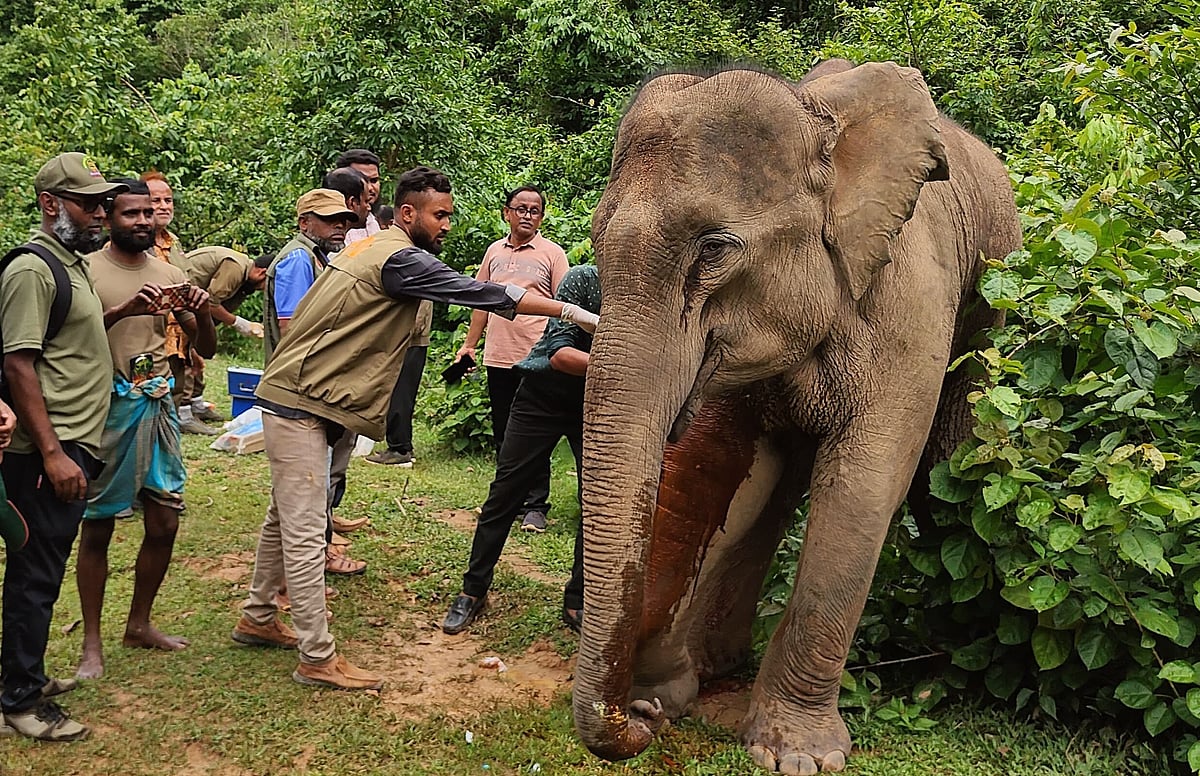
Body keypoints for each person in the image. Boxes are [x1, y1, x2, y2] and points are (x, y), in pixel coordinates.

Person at [232, 166, 597, 691]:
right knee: (307, 527)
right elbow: (487, 294)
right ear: (408, 214)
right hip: (301, 400)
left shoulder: (368, 246)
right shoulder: (401, 258)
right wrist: (573, 312)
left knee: (282, 517)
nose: (447, 224)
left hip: (306, 393)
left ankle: (259, 615)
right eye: (440, 214)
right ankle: (317, 655)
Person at [0, 153, 127, 741]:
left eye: (103, 202)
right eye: (88, 203)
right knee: (36, 572)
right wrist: (51, 452)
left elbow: (71, 340)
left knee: (43, 567)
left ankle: (22, 673)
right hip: (45, 448)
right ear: (52, 203)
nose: (100, 213)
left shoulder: (69, 263)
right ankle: (20, 701)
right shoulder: (33, 268)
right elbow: (19, 362)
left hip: (78, 439)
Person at [75, 180, 218, 680]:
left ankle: (139, 623)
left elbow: (208, 348)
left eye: (148, 213)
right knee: (99, 525)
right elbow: (73, 342)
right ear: (109, 217)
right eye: (130, 213)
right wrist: (125, 311)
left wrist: (198, 312)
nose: (142, 221)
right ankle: (91, 643)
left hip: (157, 405)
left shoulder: (169, 271)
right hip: (106, 410)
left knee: (164, 523)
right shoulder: (86, 272)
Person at [442, 263, 599, 636]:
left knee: (595, 503)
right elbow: (560, 354)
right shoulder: (584, 279)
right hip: (542, 396)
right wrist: (627, 365)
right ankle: (472, 590)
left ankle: (577, 601)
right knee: (506, 494)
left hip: (595, 404)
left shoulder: (650, 293)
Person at [262, 188, 368, 573]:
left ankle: (312, 555)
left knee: (310, 481)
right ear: (305, 222)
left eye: (343, 219)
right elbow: (294, 329)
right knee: (306, 484)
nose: (339, 226)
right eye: (329, 219)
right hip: (300, 388)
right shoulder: (297, 259)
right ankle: (309, 562)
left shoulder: (317, 257)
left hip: (309, 385)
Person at [452, 187, 569, 532]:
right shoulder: (494, 252)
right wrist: (469, 345)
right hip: (499, 357)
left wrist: (556, 352)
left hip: (537, 360)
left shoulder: (552, 254)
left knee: (537, 433)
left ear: (542, 217)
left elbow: (564, 307)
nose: (527, 216)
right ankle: (508, 502)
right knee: (506, 433)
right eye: (521, 209)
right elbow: (481, 302)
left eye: (534, 210)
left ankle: (536, 506)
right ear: (507, 213)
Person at [141, 171, 218, 435]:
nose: (163, 206)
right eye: (155, 200)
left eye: (168, 200)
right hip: (150, 336)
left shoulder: (173, 242)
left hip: (179, 333)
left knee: (175, 390)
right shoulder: (135, 243)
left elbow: (185, 287)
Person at [185, 246, 270, 339]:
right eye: (266, 284)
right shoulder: (236, 268)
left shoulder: (244, 274)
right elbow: (210, 303)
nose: (263, 289)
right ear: (262, 273)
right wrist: (241, 323)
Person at [337, 149, 382, 243]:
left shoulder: (374, 222)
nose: (369, 187)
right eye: (362, 181)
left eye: (374, 181)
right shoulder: (331, 230)